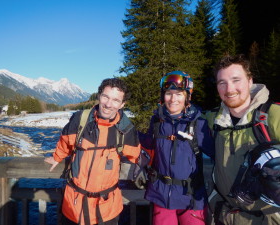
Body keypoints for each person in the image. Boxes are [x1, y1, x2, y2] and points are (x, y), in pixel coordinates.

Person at [44, 78, 141, 225]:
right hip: (74, 205)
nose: (108, 104)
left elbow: (135, 156)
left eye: (115, 100)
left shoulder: (126, 130)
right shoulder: (80, 120)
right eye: (105, 97)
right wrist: (57, 157)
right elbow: (65, 141)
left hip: (106, 208)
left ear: (122, 104)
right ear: (99, 96)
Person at [205, 54, 280, 225]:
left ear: (250, 81)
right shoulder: (212, 120)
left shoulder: (273, 116)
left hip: (268, 219)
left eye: (236, 80)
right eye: (222, 83)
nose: (229, 89)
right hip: (226, 215)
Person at [137, 71, 214, 225]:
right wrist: (127, 131)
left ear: (187, 96)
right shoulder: (157, 120)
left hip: (191, 198)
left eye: (179, 94)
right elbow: (150, 144)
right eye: (168, 93)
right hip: (161, 195)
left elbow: (217, 153)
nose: (173, 99)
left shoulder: (198, 123)